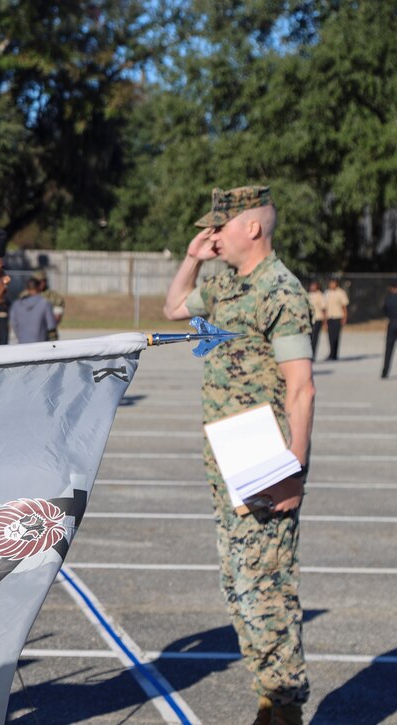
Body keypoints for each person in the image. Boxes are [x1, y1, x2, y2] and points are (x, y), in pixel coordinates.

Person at [163, 186, 314, 724]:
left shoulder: (282, 292)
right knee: (239, 587)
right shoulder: (225, 285)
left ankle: (285, 706)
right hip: (225, 461)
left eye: (219, 227)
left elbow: (302, 389)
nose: (212, 235)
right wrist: (191, 258)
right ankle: (269, 700)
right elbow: (174, 307)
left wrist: (292, 470)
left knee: (267, 589)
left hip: (266, 465)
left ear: (251, 228)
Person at [10, 275, 57, 343]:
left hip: (22, 343)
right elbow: (51, 327)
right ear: (39, 287)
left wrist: (21, 336)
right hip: (40, 344)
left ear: (27, 288)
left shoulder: (16, 305)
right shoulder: (45, 304)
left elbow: (14, 324)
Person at [323, 277, 349, 360]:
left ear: (336, 284)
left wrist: (345, 317)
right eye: (330, 283)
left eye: (333, 283)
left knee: (336, 336)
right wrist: (325, 321)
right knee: (330, 336)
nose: (331, 285)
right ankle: (331, 353)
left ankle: (335, 354)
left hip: (338, 317)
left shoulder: (341, 292)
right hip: (329, 317)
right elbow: (325, 307)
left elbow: (344, 306)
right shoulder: (327, 293)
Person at [306, 279, 325, 361]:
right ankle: (308, 355)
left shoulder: (320, 295)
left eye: (314, 285)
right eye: (311, 285)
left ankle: (313, 355)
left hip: (317, 318)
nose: (312, 287)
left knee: (314, 337)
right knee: (308, 338)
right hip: (308, 319)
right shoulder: (307, 295)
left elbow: (324, 309)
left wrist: (325, 321)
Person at [382, 279, 397, 379]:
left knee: (389, 349)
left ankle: (385, 372)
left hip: (392, 324)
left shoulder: (388, 299)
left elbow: (385, 311)